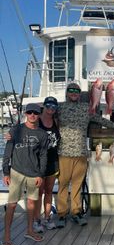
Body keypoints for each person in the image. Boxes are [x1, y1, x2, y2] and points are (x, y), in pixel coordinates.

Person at [56, 82, 114, 228]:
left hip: (81, 153)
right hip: (63, 153)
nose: (74, 93)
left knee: (77, 185)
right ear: (67, 93)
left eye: (76, 91)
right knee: (63, 184)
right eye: (71, 90)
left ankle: (76, 212)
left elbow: (101, 120)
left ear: (80, 94)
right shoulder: (59, 107)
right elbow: (46, 119)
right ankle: (61, 214)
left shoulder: (86, 108)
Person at [1, 103, 48, 245]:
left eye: (35, 113)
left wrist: (41, 174)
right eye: (29, 112)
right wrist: (6, 172)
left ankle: (29, 230)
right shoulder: (15, 130)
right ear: (25, 114)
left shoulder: (42, 134)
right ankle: (6, 237)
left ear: (39, 114)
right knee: (12, 204)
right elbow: (7, 152)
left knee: (32, 203)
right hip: (16, 172)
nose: (32, 115)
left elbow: (43, 155)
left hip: (34, 174)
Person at [33, 96, 60, 232]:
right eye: (48, 105)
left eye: (54, 106)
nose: (51, 108)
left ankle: (47, 217)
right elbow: (23, 130)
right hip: (39, 162)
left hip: (53, 161)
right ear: (44, 106)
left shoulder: (56, 120)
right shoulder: (37, 121)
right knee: (39, 192)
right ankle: (37, 220)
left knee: (49, 191)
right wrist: (11, 135)